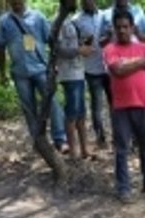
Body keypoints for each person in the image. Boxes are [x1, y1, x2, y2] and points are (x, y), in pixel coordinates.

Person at [103, 9, 145, 201]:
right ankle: (124, 188)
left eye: (125, 27)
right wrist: (142, 63)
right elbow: (118, 70)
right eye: (118, 27)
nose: (122, 30)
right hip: (120, 106)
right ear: (114, 29)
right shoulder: (109, 50)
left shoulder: (143, 48)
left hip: (143, 103)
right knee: (122, 148)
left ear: (132, 28)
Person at [0, 0, 66, 151]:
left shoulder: (38, 17)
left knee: (53, 103)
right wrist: (2, 73)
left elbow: (52, 40)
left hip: (40, 68)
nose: (16, 3)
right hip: (20, 72)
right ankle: (38, 142)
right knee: (29, 109)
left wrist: (55, 64)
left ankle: (60, 138)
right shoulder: (4, 21)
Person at [55, 0, 93, 159]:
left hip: (79, 72)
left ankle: (84, 149)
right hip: (68, 74)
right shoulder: (58, 23)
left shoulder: (72, 21)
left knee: (81, 113)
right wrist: (79, 50)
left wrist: (85, 44)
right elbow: (58, 49)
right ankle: (73, 152)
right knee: (71, 113)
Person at [75, 0, 110, 148]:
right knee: (97, 105)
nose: (87, 2)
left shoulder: (105, 16)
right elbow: (75, 44)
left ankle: (121, 136)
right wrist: (83, 44)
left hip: (109, 67)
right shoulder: (76, 20)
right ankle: (100, 136)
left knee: (115, 103)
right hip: (91, 69)